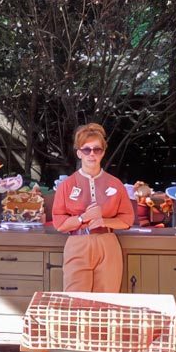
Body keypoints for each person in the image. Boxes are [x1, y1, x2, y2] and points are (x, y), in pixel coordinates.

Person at [51, 124, 135, 293]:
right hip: (78, 242)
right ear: (79, 152)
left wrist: (104, 220)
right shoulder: (66, 185)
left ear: (103, 152)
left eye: (97, 149)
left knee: (107, 298)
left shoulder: (115, 184)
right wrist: (83, 218)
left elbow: (127, 219)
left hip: (107, 242)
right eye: (87, 149)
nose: (92, 154)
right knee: (75, 298)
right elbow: (59, 222)